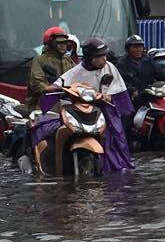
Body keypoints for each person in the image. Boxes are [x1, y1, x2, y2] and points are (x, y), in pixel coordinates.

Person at [32, 38, 135, 174]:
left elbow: (119, 92)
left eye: (105, 55)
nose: (104, 59)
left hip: (105, 111)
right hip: (81, 111)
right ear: (91, 58)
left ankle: (119, 167)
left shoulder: (109, 67)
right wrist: (52, 88)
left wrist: (107, 97)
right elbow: (61, 82)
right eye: (100, 56)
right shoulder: (75, 71)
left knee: (117, 137)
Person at [24, 27, 76, 112]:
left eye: (65, 43)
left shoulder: (68, 61)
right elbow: (36, 82)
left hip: (67, 102)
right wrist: (48, 88)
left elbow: (78, 76)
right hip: (43, 104)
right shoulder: (40, 60)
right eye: (59, 43)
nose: (63, 45)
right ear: (50, 44)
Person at [117, 34, 165, 104]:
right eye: (135, 47)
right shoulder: (122, 63)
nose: (138, 50)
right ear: (128, 49)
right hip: (131, 100)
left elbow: (161, 72)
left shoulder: (148, 61)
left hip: (150, 97)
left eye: (140, 47)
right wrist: (132, 90)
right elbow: (120, 82)